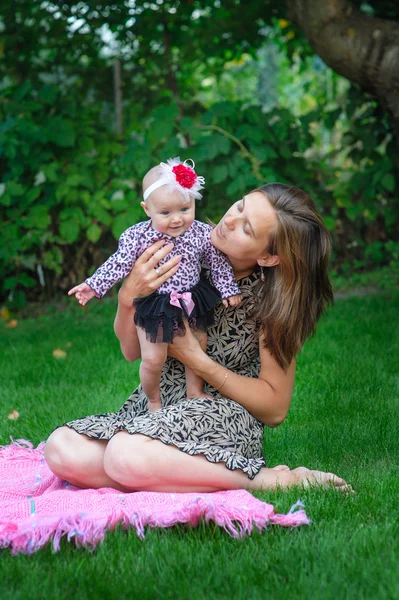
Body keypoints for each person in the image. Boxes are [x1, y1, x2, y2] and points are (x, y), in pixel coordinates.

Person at [45, 183, 352, 494]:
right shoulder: (182, 251)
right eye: (240, 206)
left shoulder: (270, 301)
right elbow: (130, 350)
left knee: (124, 455)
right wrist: (128, 296)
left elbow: (274, 409)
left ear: (268, 256)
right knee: (62, 448)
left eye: (246, 228)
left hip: (220, 414)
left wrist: (196, 359)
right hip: (157, 407)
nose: (230, 220)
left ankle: (271, 481)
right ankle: (171, 472)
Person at [68, 158, 242, 410]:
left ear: (193, 202)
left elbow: (217, 261)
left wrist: (228, 288)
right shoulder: (137, 235)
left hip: (191, 297)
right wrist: (94, 285)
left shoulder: (201, 233)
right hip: (157, 303)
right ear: (147, 209)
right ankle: (153, 400)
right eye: (165, 213)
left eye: (185, 209)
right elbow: (118, 262)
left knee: (199, 344)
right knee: (153, 358)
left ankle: (195, 391)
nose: (176, 220)